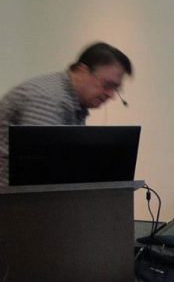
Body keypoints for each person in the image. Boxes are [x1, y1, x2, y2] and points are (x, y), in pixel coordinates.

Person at [0, 41, 132, 186]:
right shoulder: (47, 98)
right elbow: (40, 172)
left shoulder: (74, 102)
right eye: (107, 85)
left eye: (116, 88)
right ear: (82, 71)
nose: (111, 95)